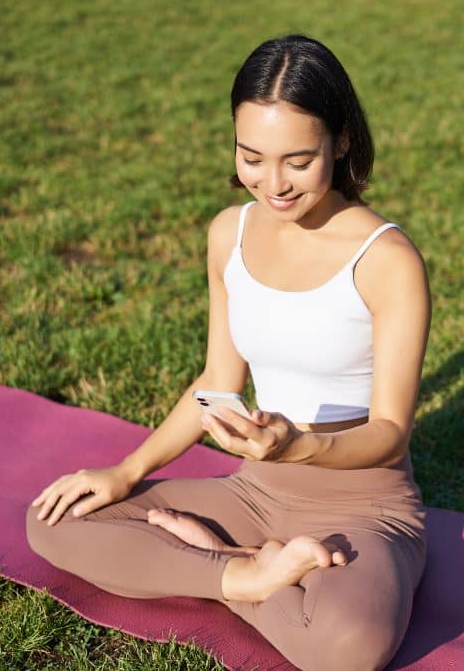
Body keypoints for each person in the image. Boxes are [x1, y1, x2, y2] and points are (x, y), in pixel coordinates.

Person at [25, 34, 431, 671]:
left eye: (298, 161)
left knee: (349, 648)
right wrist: (126, 473)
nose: (273, 184)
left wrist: (296, 445)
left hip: (363, 504)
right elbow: (218, 379)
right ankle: (245, 576)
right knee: (54, 521)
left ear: (342, 140)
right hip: (254, 493)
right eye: (252, 157)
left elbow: (391, 433)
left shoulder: (386, 259)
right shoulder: (228, 233)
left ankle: (218, 565)